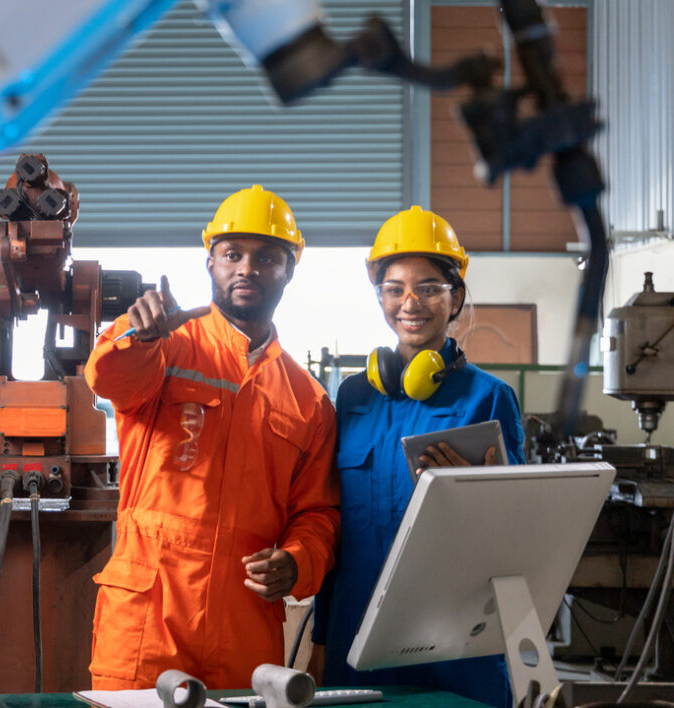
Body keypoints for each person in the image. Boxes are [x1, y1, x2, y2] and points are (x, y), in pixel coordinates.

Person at [85, 185, 341, 689]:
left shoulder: (308, 399)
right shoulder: (165, 346)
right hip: (148, 621)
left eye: (267, 257)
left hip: (244, 623)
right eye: (232, 254)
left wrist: (297, 561)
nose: (247, 268)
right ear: (210, 263)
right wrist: (137, 337)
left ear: (289, 270)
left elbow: (317, 512)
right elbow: (108, 378)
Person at [310, 205, 525, 708]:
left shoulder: (488, 398)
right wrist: (321, 638)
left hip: (457, 642)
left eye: (429, 287)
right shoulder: (354, 396)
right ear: (380, 296)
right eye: (394, 288)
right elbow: (335, 522)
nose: (411, 302)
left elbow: (515, 536)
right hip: (358, 632)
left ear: (456, 297)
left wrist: (479, 493)